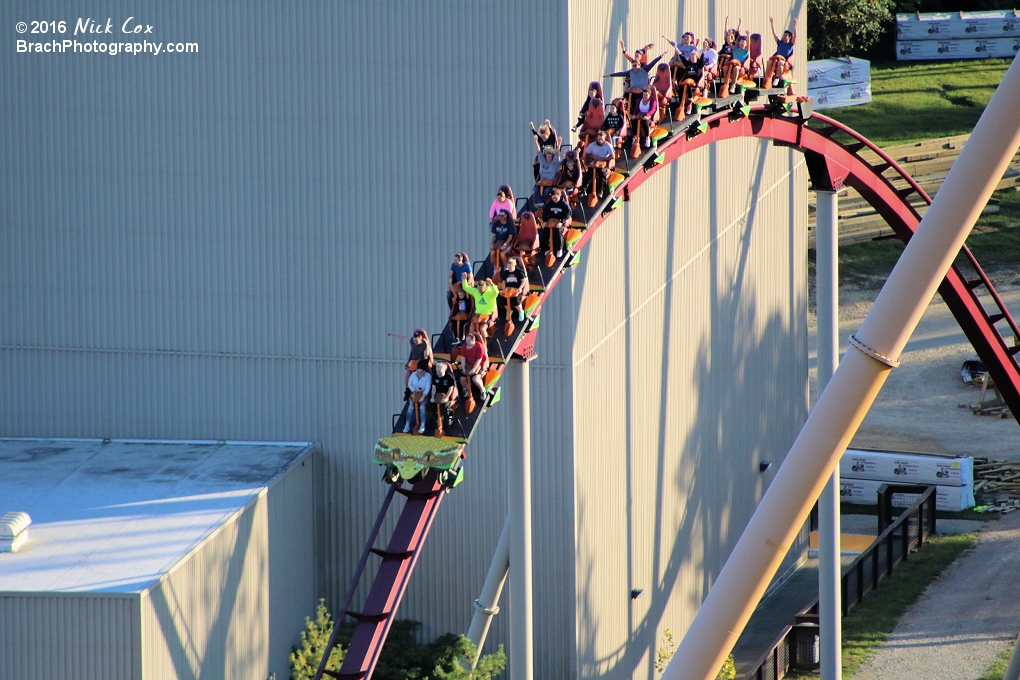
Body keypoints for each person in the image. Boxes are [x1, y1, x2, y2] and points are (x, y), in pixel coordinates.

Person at [458, 332, 489, 414]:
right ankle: (466, 390)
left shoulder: (479, 347)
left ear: (473, 341)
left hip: (478, 365)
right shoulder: (464, 346)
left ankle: (482, 391)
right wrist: (464, 367)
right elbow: (463, 358)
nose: (467, 343)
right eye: (466, 341)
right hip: (468, 365)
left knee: (475, 379)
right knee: (462, 379)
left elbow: (479, 360)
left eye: (469, 341)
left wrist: (474, 370)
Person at [583, 130, 616, 205]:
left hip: (603, 163)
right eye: (599, 139)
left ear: (604, 139)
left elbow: (612, 156)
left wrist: (601, 159)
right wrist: (593, 157)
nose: (600, 141)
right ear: (597, 138)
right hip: (594, 163)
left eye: (601, 139)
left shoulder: (608, 146)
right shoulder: (592, 145)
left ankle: (601, 190)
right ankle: (584, 189)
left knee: (602, 174)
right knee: (588, 174)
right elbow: (587, 153)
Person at [462, 274, 498, 340]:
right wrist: (464, 280)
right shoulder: (476, 292)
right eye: (479, 288)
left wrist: (492, 284)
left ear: (485, 287)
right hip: (478, 315)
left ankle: (485, 344)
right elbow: (466, 288)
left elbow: (496, 292)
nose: (480, 290)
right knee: (471, 327)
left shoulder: (490, 293)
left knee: (482, 329)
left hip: (487, 315)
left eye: (481, 288)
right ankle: (472, 342)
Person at [765, 16, 798, 87]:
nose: (783, 36)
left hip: (784, 61)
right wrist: (772, 23)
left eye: (785, 35)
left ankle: (777, 78)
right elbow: (774, 34)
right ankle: (767, 78)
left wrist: (795, 26)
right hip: (776, 59)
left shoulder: (790, 44)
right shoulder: (780, 43)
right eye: (783, 35)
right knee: (769, 62)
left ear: (789, 37)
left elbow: (795, 36)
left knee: (780, 62)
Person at [402, 359, 432, 434]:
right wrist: (414, 390)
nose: (419, 374)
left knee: (422, 408)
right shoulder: (414, 375)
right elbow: (410, 384)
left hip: (423, 393)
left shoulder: (428, 377)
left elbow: (427, 388)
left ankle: (422, 425)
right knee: (410, 407)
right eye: (418, 372)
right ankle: (407, 424)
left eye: (421, 373)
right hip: (415, 392)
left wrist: (423, 397)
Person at [498, 256, 529, 327]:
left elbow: (524, 280)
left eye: (511, 267)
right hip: (508, 289)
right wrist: (504, 288)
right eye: (509, 267)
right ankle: (509, 310)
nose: (509, 268)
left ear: (514, 265)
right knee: (502, 299)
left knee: (515, 299)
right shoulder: (506, 273)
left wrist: (520, 288)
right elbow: (504, 281)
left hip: (516, 289)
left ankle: (520, 311)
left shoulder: (519, 272)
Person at [542, 187, 572, 260]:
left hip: (561, 222)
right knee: (545, 231)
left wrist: (562, 222)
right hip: (552, 221)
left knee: (558, 231)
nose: (554, 199)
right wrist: (545, 221)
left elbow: (569, 213)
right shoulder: (550, 203)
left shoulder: (564, 204)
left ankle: (559, 249)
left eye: (556, 198)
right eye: (553, 198)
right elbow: (545, 212)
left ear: (559, 196)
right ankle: (547, 248)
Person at [430, 360, 458, 435]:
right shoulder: (434, 376)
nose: (438, 373)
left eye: (440, 372)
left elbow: (451, 388)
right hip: (438, 393)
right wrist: (432, 397)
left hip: (447, 394)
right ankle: (438, 418)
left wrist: (446, 397)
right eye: (437, 371)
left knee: (446, 406)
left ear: (445, 370)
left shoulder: (449, 377)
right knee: (431, 405)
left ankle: (449, 417)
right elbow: (434, 387)